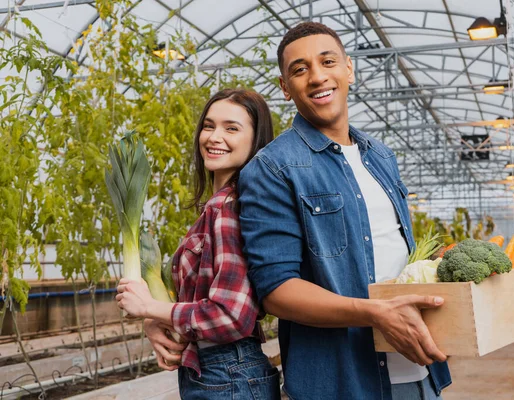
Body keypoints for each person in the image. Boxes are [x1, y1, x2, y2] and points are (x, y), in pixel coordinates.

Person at [238, 22, 452, 400]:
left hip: (419, 373)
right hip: (344, 382)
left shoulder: (381, 156)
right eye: (300, 69)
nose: (317, 76)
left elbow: (394, 254)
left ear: (348, 69)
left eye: (327, 61)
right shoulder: (273, 168)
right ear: (285, 88)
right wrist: (374, 313)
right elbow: (275, 290)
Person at [115, 89, 280, 400]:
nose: (214, 137)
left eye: (231, 128)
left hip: (228, 372)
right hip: (219, 370)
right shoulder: (216, 206)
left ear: (256, 140)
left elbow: (231, 316)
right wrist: (155, 320)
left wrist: (150, 307)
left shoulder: (227, 208)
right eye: (208, 125)